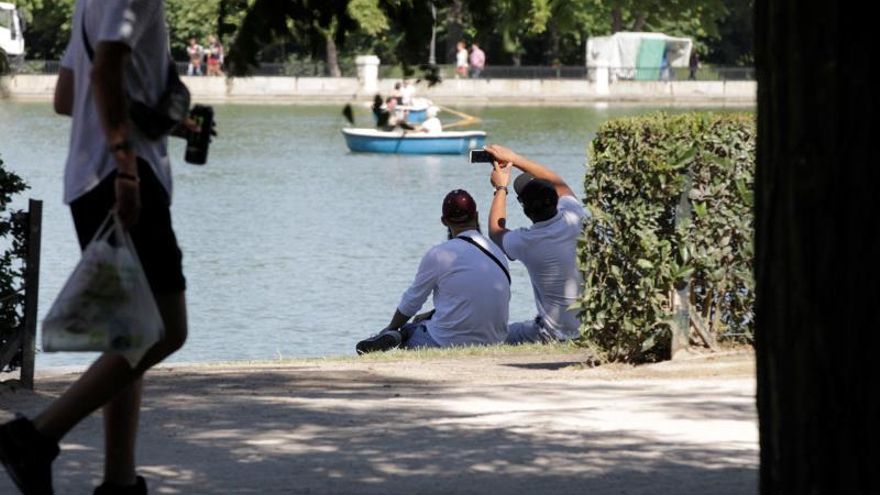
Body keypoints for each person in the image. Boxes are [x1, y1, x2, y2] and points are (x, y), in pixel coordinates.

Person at [0, 1, 190, 493]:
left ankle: (119, 482)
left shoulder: (89, 3)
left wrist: (152, 117)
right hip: (122, 178)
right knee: (167, 328)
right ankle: (36, 436)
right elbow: (105, 70)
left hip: (85, 181)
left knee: (127, 334)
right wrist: (126, 164)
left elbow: (67, 96)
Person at [356, 190, 510, 354]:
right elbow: (476, 297)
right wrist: (432, 314)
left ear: (444, 221)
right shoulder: (497, 252)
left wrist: (391, 327)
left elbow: (412, 301)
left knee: (408, 330)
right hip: (495, 339)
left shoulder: (440, 254)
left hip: (448, 341)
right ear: (476, 215)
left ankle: (394, 335)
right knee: (427, 320)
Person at [485, 144, 587, 345]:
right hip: (591, 327)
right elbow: (558, 182)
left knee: (496, 335)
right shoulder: (575, 216)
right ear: (556, 199)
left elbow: (495, 231)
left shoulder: (527, 241)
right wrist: (514, 157)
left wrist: (500, 188)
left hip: (552, 335)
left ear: (525, 210)